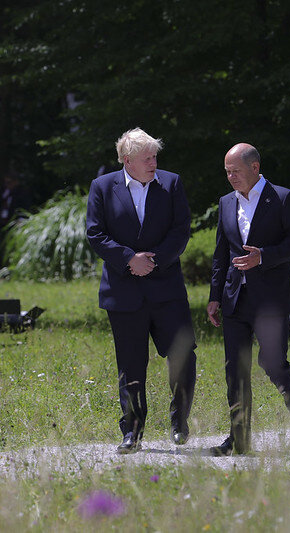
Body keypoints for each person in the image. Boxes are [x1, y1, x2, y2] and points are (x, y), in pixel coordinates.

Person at [86, 128, 196, 454]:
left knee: (183, 356)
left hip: (167, 289)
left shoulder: (171, 183)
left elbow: (181, 229)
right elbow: (95, 233)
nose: (154, 162)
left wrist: (155, 261)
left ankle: (179, 422)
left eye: (155, 156)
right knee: (131, 366)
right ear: (127, 160)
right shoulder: (103, 187)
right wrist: (129, 260)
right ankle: (132, 431)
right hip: (124, 292)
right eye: (147, 157)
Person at [207, 143, 290, 455]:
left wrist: (264, 256)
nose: (231, 177)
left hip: (271, 298)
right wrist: (214, 297)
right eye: (227, 172)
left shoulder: (282, 198)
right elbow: (221, 253)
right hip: (234, 298)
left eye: (236, 171)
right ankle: (239, 439)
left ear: (255, 167)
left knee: (272, 361)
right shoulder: (226, 203)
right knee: (234, 369)